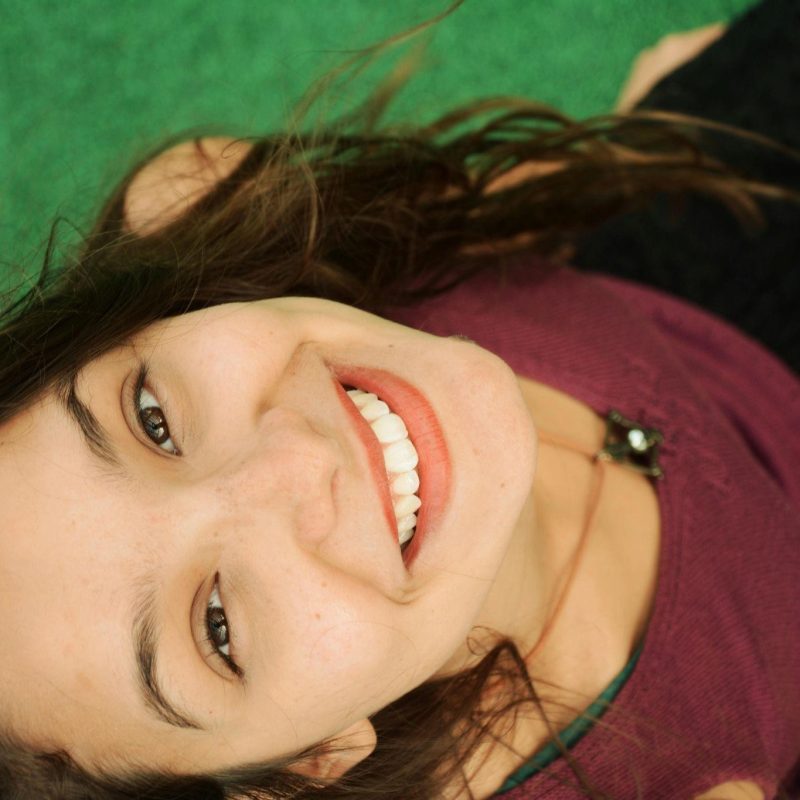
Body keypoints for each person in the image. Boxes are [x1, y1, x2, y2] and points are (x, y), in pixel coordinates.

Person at [1, 1, 798, 798]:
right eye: (217, 628)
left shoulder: (244, 219)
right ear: (307, 764)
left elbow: (489, 221)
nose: (299, 460)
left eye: (153, 420)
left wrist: (632, 153)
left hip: (692, 265)